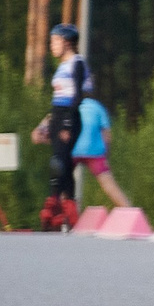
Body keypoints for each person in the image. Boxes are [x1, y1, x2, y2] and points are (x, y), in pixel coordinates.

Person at [41, 24, 93, 230]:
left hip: (69, 117)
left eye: (55, 41)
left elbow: (78, 96)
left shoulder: (76, 63)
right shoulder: (62, 65)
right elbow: (57, 99)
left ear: (67, 42)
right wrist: (45, 125)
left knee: (59, 163)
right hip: (57, 117)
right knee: (64, 165)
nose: (52, 45)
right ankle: (67, 210)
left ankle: (54, 205)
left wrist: (68, 124)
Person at [72, 94, 135, 212]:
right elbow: (107, 135)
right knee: (108, 184)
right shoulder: (98, 107)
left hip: (73, 150)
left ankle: (67, 215)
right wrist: (106, 156)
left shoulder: (69, 106)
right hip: (94, 152)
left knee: (66, 183)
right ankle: (129, 211)